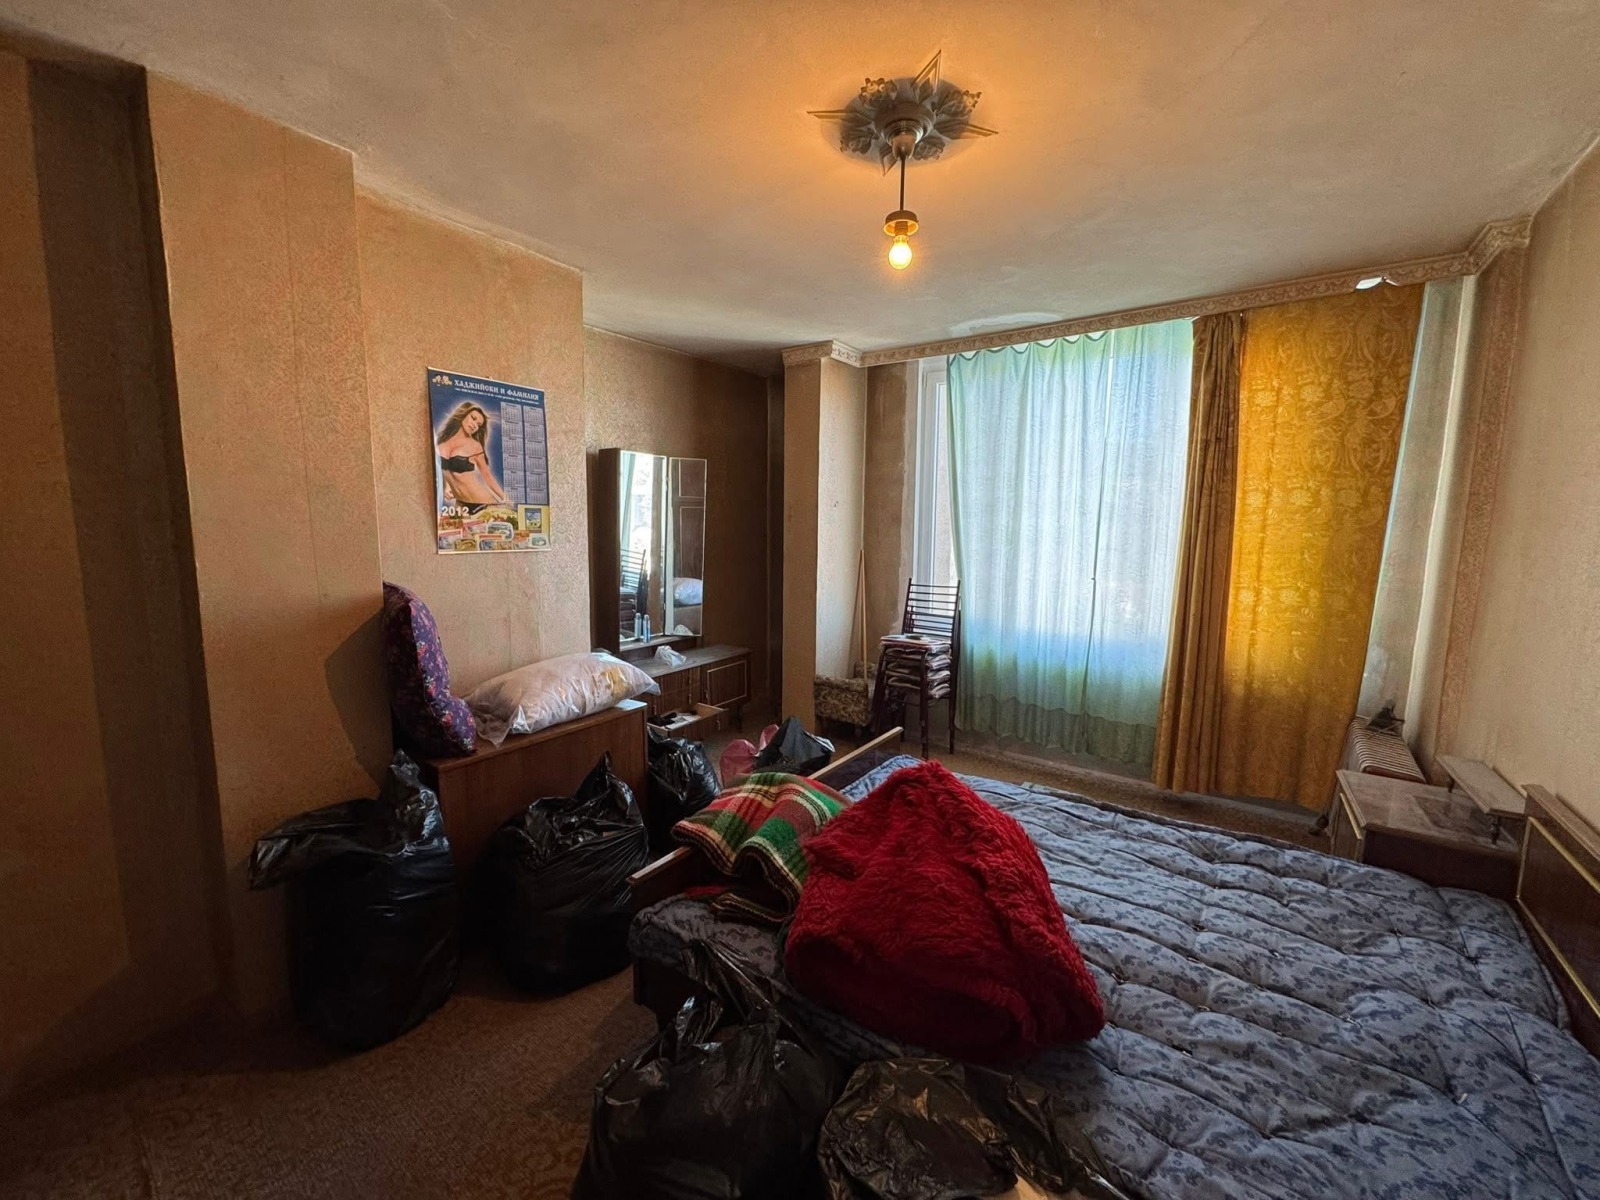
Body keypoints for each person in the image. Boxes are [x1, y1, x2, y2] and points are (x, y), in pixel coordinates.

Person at [436, 402, 509, 510]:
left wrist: (505, 498)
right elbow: (443, 470)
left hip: (483, 503)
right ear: (463, 414)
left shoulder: (475, 446)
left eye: (478, 425)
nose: (475, 425)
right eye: (473, 418)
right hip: (460, 505)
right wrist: (446, 486)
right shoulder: (440, 443)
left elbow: (487, 477)